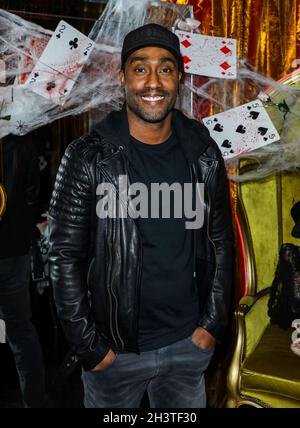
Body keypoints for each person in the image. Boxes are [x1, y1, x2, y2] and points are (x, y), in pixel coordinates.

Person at [48, 23, 233, 408]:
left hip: (188, 346)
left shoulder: (202, 151)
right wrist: (90, 347)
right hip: (115, 356)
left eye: (165, 69)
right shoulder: (88, 157)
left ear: (178, 79)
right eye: (140, 68)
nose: (153, 82)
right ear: (123, 78)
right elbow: (63, 256)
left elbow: (220, 242)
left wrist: (211, 325)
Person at [0, 133, 46, 408]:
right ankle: (34, 401)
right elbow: (32, 198)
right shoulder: (22, 141)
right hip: (13, 250)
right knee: (20, 330)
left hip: (13, 250)